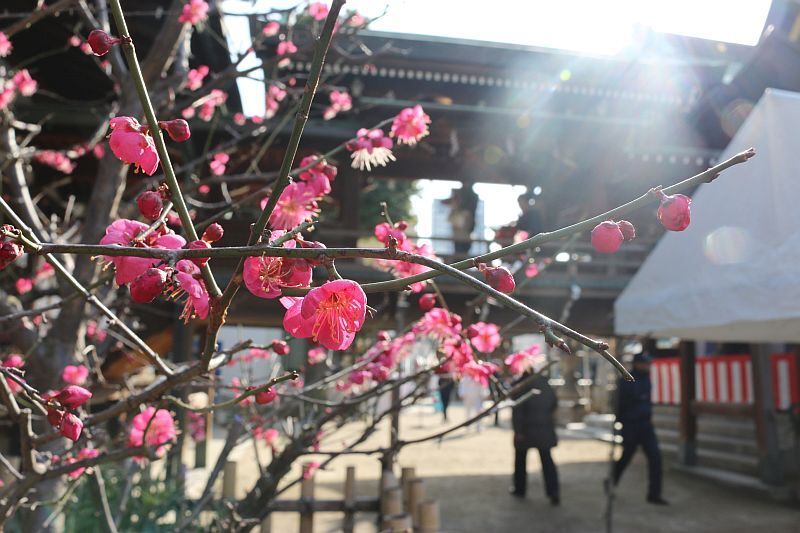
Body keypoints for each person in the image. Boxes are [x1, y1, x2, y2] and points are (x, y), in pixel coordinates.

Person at [609, 352, 668, 505]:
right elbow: (618, 405)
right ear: (637, 364)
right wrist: (620, 423)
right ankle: (611, 482)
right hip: (630, 425)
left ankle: (654, 494)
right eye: (645, 363)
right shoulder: (625, 381)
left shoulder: (647, 380)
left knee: (656, 459)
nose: (647, 366)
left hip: (646, 425)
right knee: (626, 457)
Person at [510, 373, 560, 504]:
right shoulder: (544, 382)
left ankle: (519, 489)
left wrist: (518, 430)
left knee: (520, 460)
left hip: (526, 430)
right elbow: (554, 403)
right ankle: (553, 492)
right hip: (544, 428)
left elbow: (517, 410)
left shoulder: (521, 384)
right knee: (547, 461)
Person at [445, 184, 479, 255]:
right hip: (459, 238)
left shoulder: (466, 213)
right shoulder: (457, 212)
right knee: (459, 254)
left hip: (464, 237)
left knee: (462, 254)